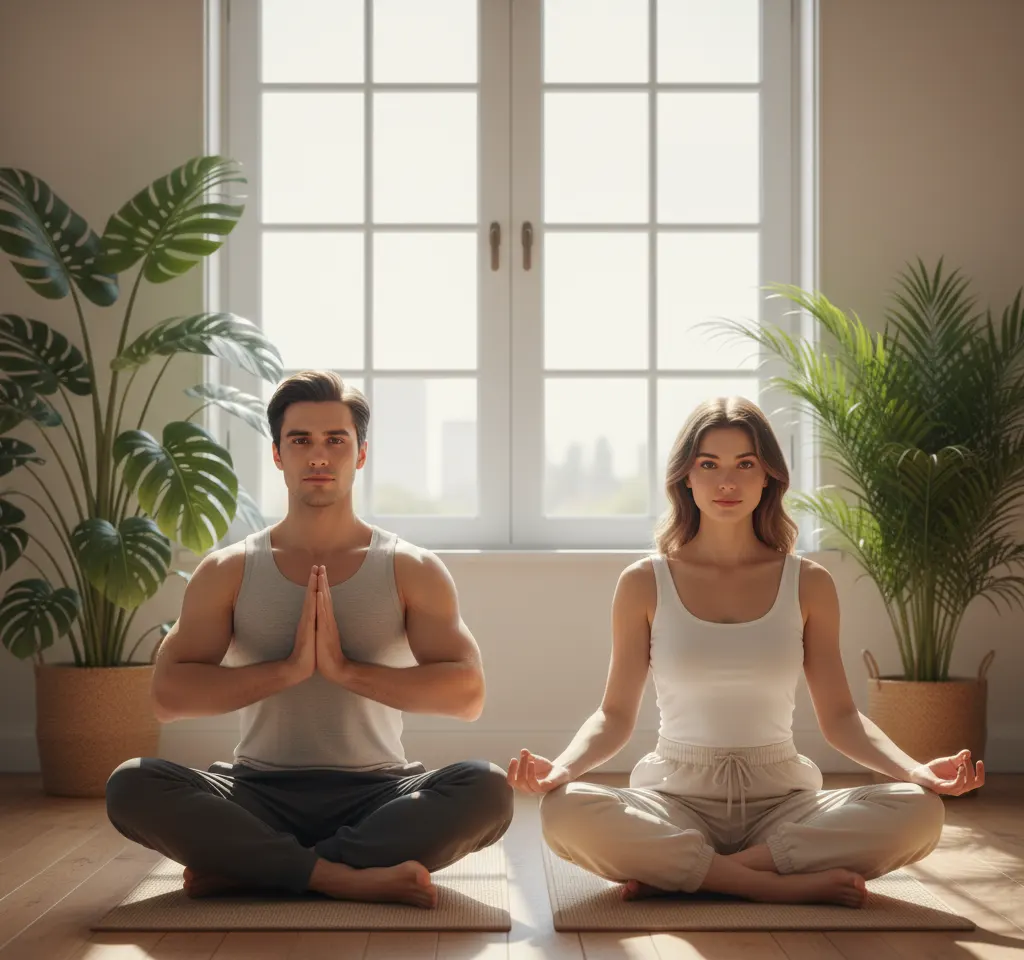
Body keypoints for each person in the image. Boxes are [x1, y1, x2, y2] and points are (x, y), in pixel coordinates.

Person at [507, 396, 984, 908]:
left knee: (920, 811)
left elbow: (842, 717)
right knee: (564, 810)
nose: (726, 483)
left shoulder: (809, 583)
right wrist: (561, 769)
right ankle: (767, 883)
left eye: (745, 465)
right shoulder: (645, 582)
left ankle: (695, 873)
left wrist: (914, 771)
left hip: (782, 804)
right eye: (708, 465)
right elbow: (614, 715)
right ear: (685, 478)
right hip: (674, 798)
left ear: (768, 478)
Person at [106, 371, 513, 908]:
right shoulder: (229, 570)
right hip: (255, 791)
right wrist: (288, 670)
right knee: (131, 784)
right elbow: (168, 697)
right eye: (300, 440)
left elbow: (468, 696)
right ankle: (341, 876)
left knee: (487, 789)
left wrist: (346, 672)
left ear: (360, 454)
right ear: (277, 454)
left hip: (379, 792)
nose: (318, 455)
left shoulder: (411, 568)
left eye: (335, 440)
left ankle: (255, 868)